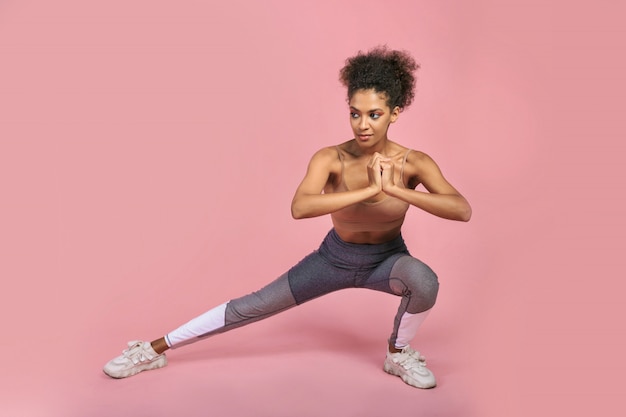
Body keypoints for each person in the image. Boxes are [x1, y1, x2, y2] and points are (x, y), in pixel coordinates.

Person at [103, 46, 472, 389]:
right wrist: (369, 191)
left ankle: (398, 354)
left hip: (387, 261)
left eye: (374, 115)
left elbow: (461, 209)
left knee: (423, 280)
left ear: (394, 113)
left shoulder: (414, 162)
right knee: (254, 305)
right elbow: (301, 207)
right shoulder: (330, 158)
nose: (363, 125)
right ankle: (151, 349)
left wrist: (396, 190)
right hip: (333, 260)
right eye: (355, 113)